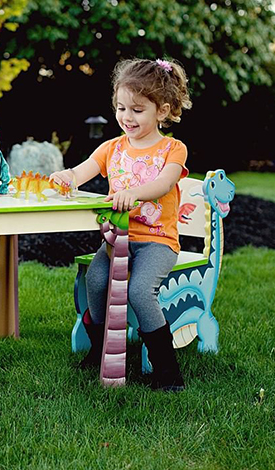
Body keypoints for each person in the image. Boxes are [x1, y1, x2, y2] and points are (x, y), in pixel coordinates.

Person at [51, 58, 192, 392]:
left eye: (137, 110)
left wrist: (133, 193)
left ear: (162, 110)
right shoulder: (111, 148)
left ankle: (167, 371)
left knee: (141, 291)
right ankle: (102, 350)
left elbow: (162, 185)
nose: (127, 117)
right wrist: (66, 178)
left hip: (157, 240)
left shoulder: (173, 149)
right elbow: (82, 171)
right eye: (121, 107)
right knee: (96, 281)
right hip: (116, 239)